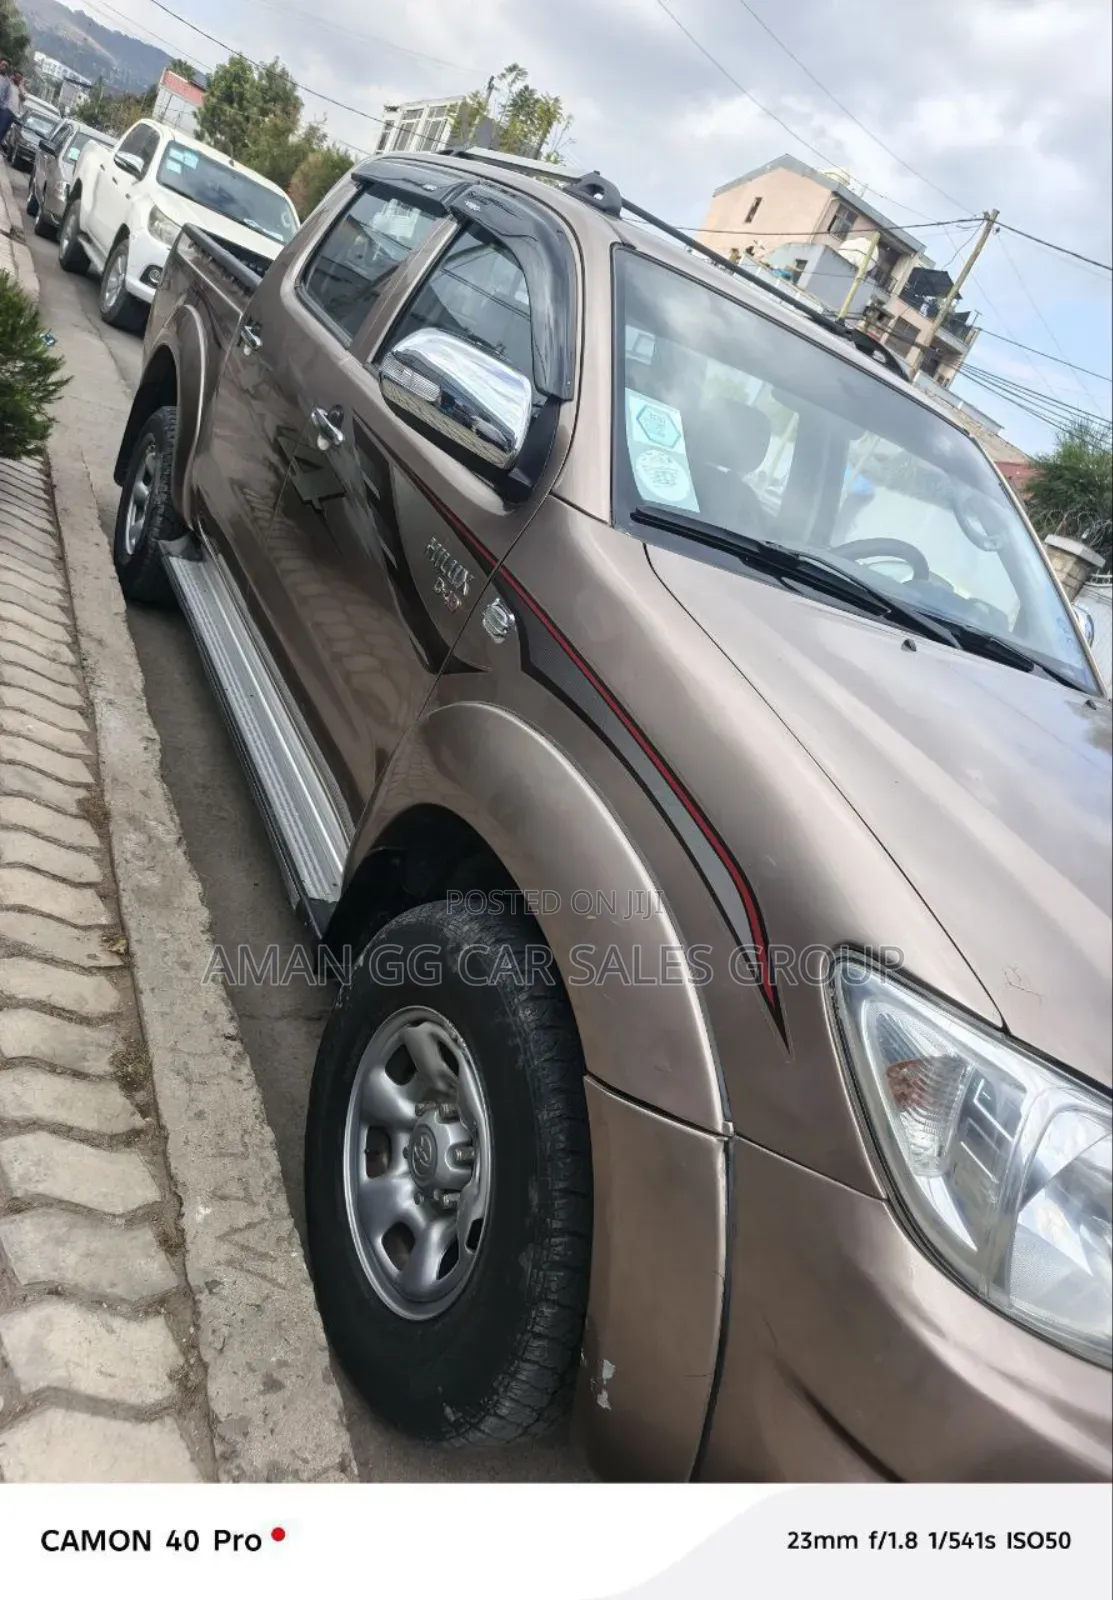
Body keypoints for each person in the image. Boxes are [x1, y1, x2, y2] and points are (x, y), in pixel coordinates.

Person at [0, 67, 24, 157]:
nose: (18, 79)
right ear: (13, 76)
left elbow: (24, 98)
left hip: (14, 113)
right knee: (1, 128)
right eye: (17, 77)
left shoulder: (20, 88)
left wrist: (20, 89)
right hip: (6, 109)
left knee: (5, 130)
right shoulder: (8, 83)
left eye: (20, 78)